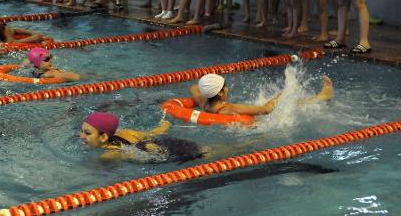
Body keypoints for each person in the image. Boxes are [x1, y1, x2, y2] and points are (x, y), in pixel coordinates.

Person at [80, 112, 205, 163]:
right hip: (166, 142)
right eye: (81, 131)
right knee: (209, 150)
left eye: (87, 133)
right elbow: (153, 133)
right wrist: (166, 124)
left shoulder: (109, 154)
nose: (81, 136)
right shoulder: (125, 133)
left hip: (164, 154)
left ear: (103, 137)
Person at [190, 73, 333, 116]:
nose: (228, 88)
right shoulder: (228, 109)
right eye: (225, 87)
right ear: (220, 92)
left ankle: (320, 98)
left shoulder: (205, 103)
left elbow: (194, 87)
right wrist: (287, 91)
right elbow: (266, 109)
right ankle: (321, 98)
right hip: (256, 130)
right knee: (288, 103)